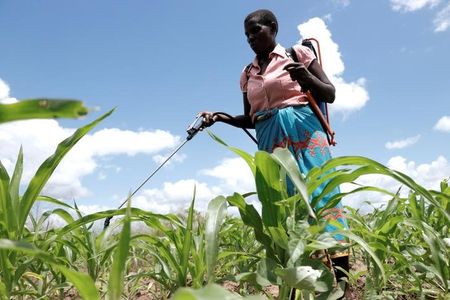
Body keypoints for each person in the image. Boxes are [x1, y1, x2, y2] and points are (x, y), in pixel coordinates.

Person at [200, 8, 349, 286]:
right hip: (271, 141)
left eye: (255, 30)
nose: (250, 38)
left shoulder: (298, 55)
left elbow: (329, 93)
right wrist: (221, 117)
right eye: (246, 35)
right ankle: (297, 280)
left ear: (273, 27)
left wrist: (306, 78)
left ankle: (341, 283)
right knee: (282, 205)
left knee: (323, 196)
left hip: (305, 134)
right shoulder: (247, 74)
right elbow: (252, 119)